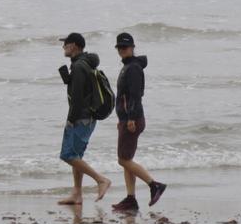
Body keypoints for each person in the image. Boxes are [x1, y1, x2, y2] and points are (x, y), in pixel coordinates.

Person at [110, 31, 165, 213]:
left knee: (123, 160)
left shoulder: (133, 68)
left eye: (125, 47)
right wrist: (123, 119)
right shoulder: (128, 66)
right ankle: (131, 199)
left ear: (133, 48)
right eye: (119, 47)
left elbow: (135, 95)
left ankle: (154, 185)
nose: (122, 50)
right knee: (127, 159)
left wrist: (131, 118)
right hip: (127, 119)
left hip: (132, 120)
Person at [56, 32, 113, 204]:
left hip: (81, 118)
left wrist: (71, 119)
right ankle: (77, 194)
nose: (63, 46)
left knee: (67, 155)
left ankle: (101, 180)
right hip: (87, 118)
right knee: (76, 157)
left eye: (66, 43)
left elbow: (78, 98)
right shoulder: (82, 64)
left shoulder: (80, 66)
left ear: (74, 45)